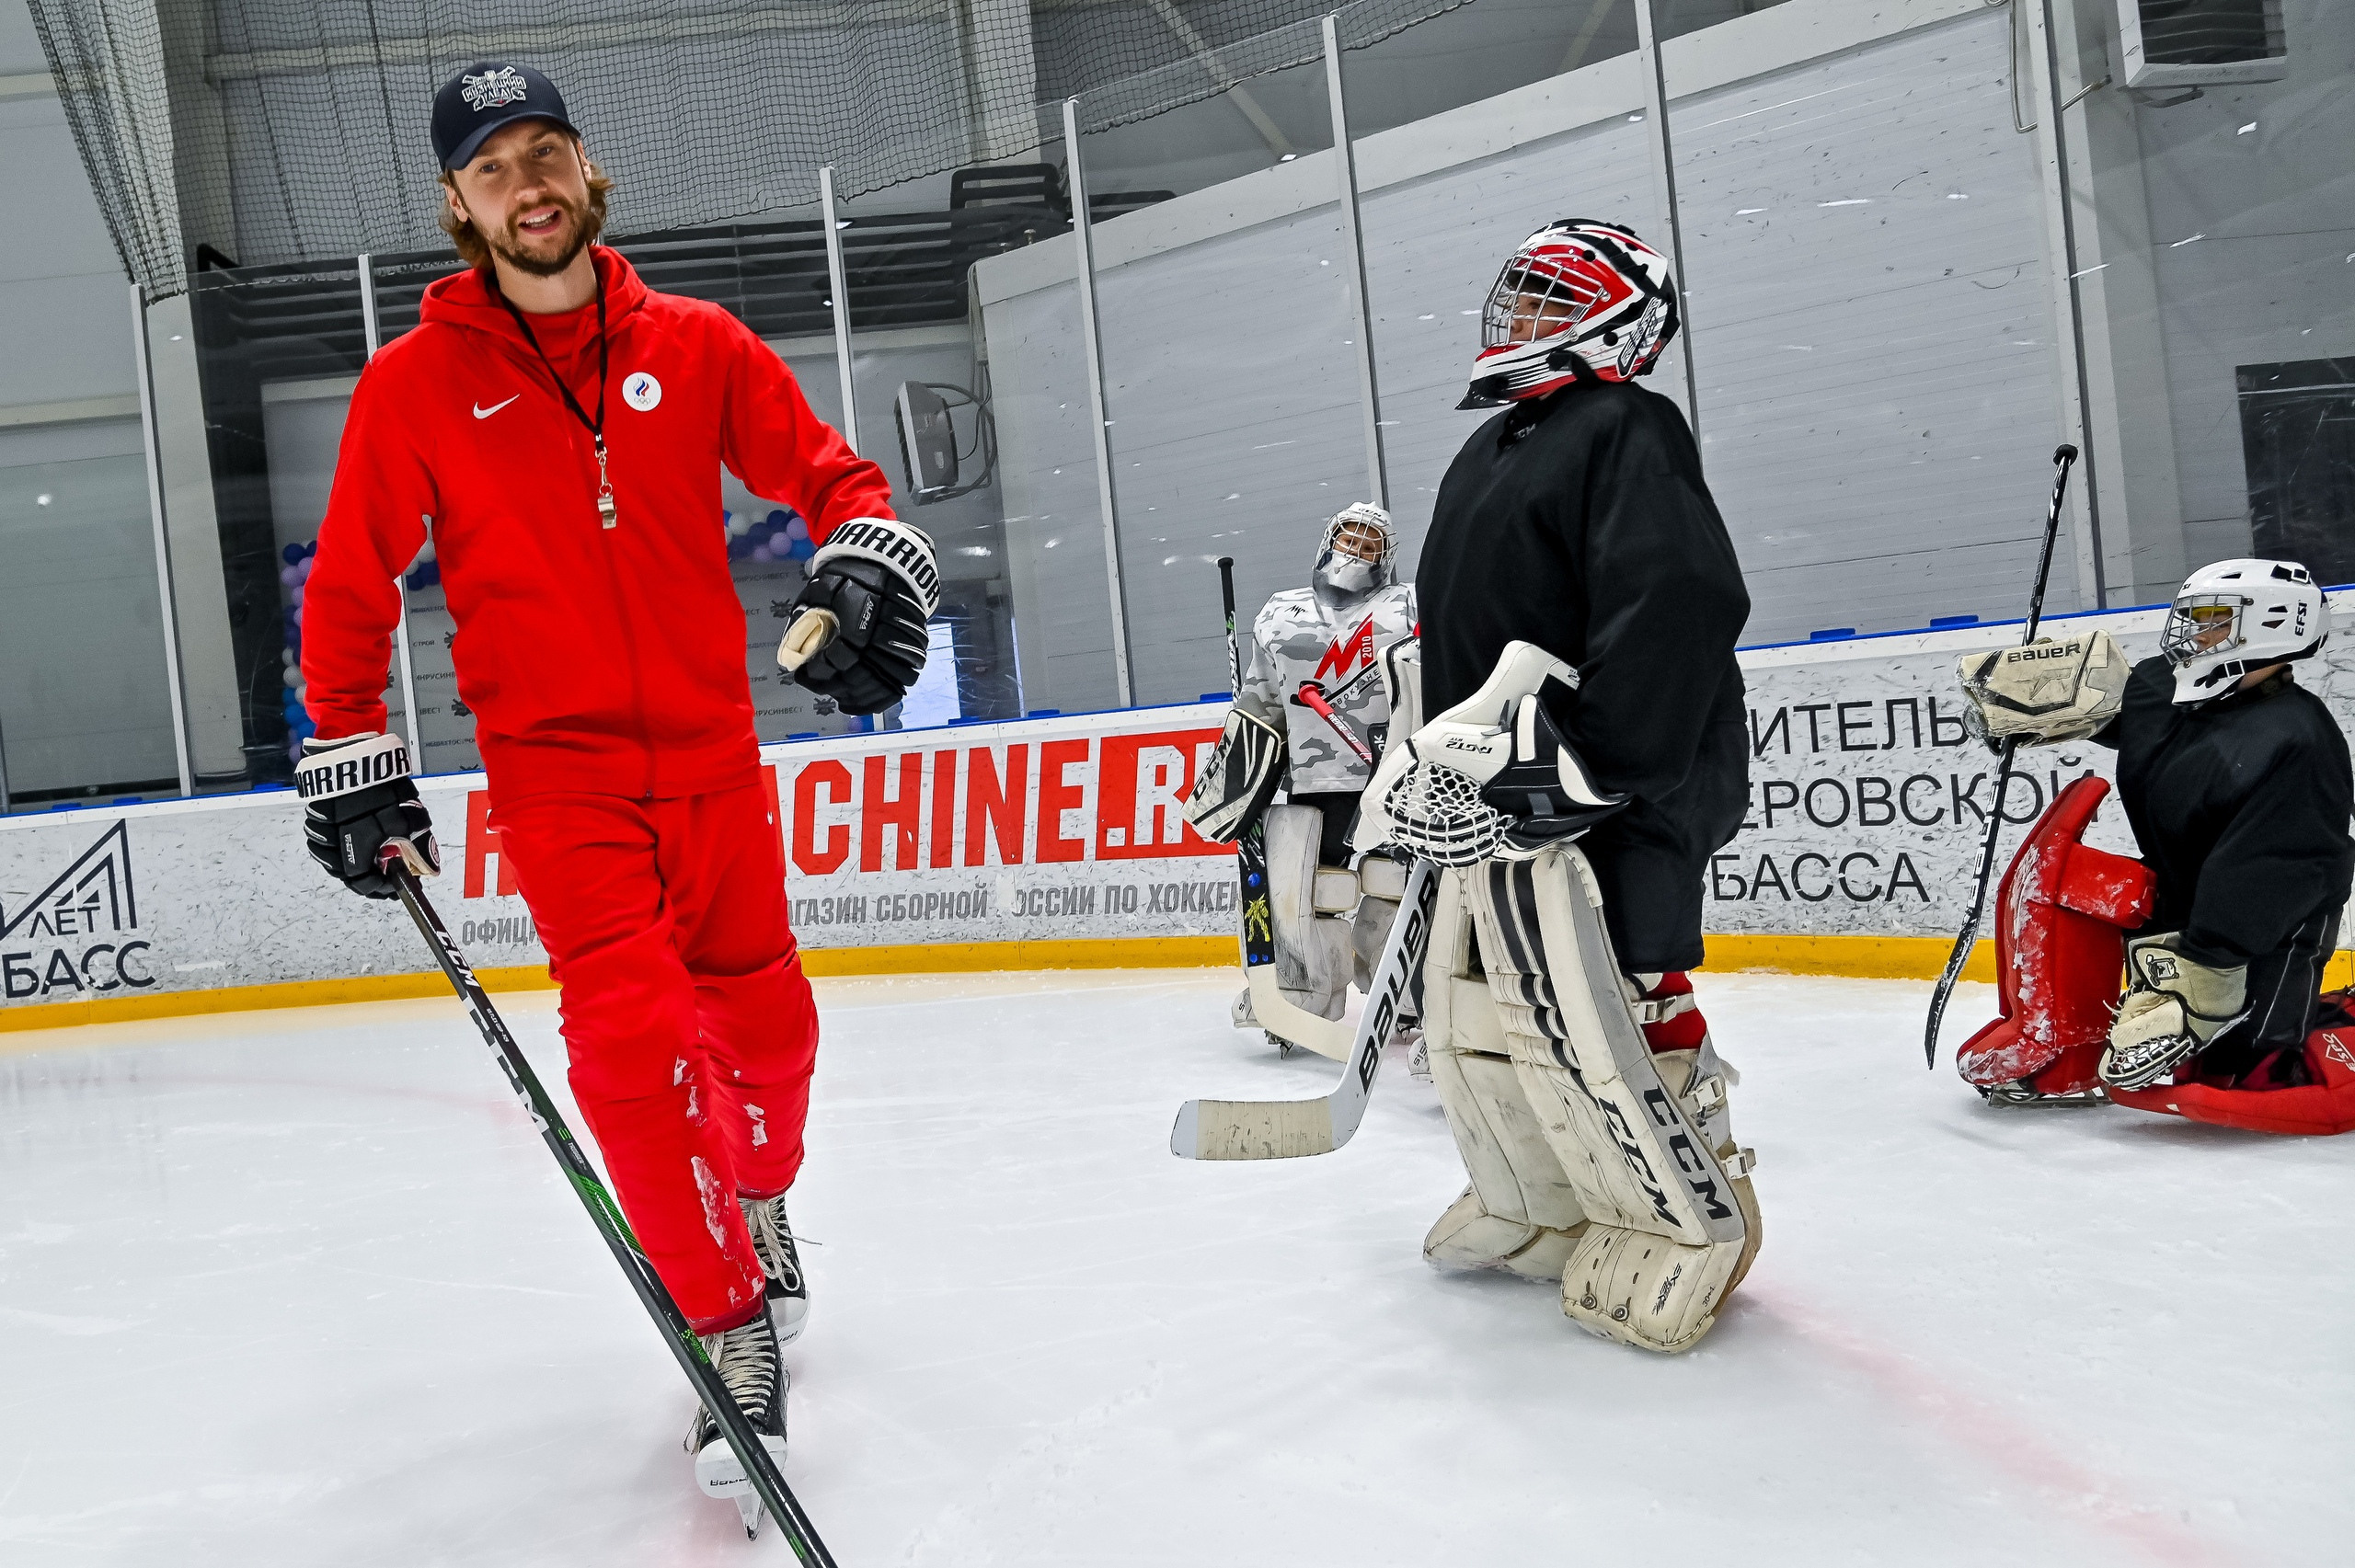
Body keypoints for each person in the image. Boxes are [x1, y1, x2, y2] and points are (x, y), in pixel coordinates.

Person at [291, 62, 937, 1509]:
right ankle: (727, 1326)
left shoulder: (696, 345)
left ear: (587, 174)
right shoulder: (414, 387)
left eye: (549, 153)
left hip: (714, 761)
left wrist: (863, 556)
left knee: (768, 1039)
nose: (530, 184)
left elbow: (839, 480)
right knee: (633, 1045)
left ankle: (758, 1198)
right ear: (457, 205)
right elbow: (351, 585)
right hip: (560, 782)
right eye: (496, 167)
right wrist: (347, 748)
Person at [1360, 219, 1759, 1353]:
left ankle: (1687, 1222)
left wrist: (1591, 762)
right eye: (1519, 296)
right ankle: (1539, 1202)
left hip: (1613, 784)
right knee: (1490, 1013)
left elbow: (1673, 599)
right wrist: (1431, 749)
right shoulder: (1493, 446)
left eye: (1550, 299)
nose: (1520, 318)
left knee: (1611, 1001)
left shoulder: (1626, 425)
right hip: (1497, 784)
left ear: (1621, 319)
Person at [1959, 559, 2355, 1114]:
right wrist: (2045, 705)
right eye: (2187, 615)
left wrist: (2203, 975)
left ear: (2273, 626)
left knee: (2241, 1064)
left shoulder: (2298, 740)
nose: (2189, 631)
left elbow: (2278, 865)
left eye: (2212, 619)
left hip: (2275, 919)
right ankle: (2072, 1046)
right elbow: (2144, 722)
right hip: (2185, 885)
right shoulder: (2159, 686)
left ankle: (2272, 1037)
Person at [1200, 503, 1419, 1042]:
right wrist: (1239, 779)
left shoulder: (1411, 605)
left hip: (1395, 779)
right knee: (1310, 891)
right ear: (1327, 539)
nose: (1357, 550)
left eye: (1371, 544)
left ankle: (1412, 1000)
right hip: (1316, 780)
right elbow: (1262, 702)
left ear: (1387, 557)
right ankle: (1303, 997)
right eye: (1350, 537)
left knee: (1396, 886)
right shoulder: (1280, 613)